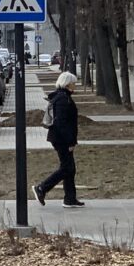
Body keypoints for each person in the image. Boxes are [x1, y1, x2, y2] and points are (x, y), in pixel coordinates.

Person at [33, 71, 84, 209]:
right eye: (74, 83)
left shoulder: (63, 97)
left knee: (70, 168)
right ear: (67, 84)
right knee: (66, 167)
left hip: (61, 138)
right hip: (62, 140)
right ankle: (42, 188)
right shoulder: (62, 99)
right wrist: (70, 142)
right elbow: (62, 123)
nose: (75, 85)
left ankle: (70, 198)